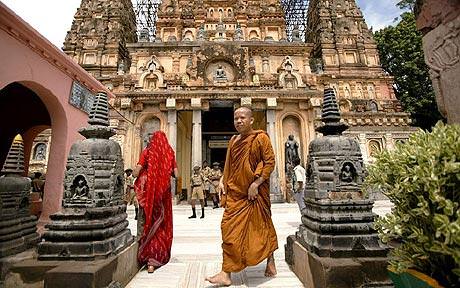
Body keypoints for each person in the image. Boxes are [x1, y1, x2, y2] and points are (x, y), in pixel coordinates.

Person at [206, 106, 278, 286]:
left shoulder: (260, 138)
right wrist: (223, 178)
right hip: (236, 195)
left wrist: (256, 183)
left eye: (242, 118)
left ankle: (270, 260)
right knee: (228, 229)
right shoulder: (233, 140)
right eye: (236, 118)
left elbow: (269, 162)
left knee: (261, 227)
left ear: (251, 120)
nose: (239, 121)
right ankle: (226, 272)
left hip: (255, 194)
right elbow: (229, 163)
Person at [133, 131, 178, 274]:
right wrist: (164, 172)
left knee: (146, 220)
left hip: (148, 193)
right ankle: (156, 257)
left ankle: (146, 258)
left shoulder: (147, 152)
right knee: (161, 224)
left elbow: (136, 172)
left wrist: (140, 172)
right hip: (163, 195)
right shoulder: (169, 152)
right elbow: (177, 175)